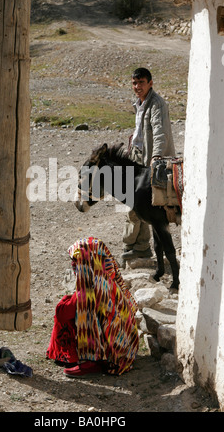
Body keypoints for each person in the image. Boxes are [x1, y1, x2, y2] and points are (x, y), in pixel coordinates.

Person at [46, 237, 139, 377]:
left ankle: (90, 362)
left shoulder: (93, 291)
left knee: (65, 310)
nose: (73, 265)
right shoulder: (109, 280)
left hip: (112, 355)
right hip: (126, 349)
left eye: (77, 261)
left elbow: (68, 314)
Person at [120, 68, 175, 267]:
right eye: (134, 83)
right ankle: (138, 246)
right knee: (135, 203)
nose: (137, 87)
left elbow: (160, 132)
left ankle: (137, 246)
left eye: (141, 82)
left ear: (150, 83)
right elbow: (143, 130)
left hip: (150, 160)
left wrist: (156, 158)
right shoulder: (140, 103)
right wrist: (133, 139)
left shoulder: (156, 104)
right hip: (138, 156)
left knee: (137, 205)